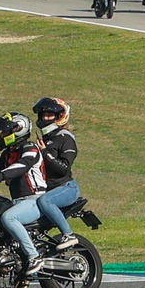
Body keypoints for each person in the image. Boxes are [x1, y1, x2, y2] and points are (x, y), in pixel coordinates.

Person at [0, 113, 48, 279]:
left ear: (18, 130)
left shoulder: (30, 149)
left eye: (4, 132)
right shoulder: (7, 154)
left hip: (35, 200)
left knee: (9, 218)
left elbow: (20, 167)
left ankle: (34, 257)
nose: (1, 136)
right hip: (18, 202)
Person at [32, 97, 81, 249]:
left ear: (60, 117)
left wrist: (45, 152)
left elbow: (64, 168)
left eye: (49, 115)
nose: (45, 118)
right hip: (47, 189)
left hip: (66, 187)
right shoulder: (46, 138)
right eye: (43, 115)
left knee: (46, 201)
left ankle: (68, 234)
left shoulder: (65, 138)